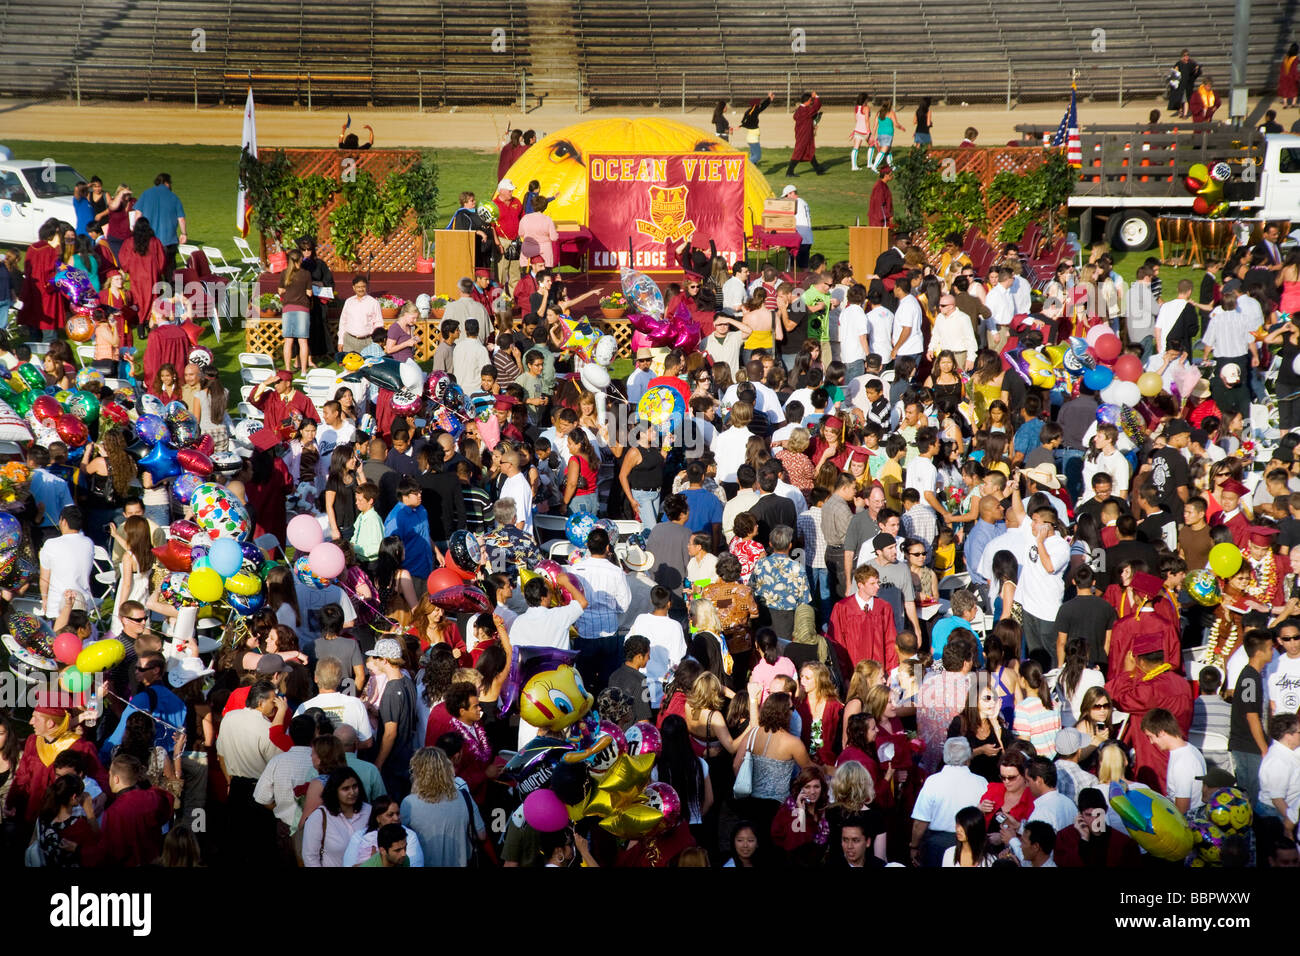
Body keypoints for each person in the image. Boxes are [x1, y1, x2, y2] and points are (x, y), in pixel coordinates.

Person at [1107, 631, 1195, 793]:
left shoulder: (1150, 690)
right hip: (1179, 748)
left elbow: (1117, 698)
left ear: (1139, 660)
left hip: (1155, 758)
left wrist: (1127, 673)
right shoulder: (1181, 682)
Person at [401, 746, 486, 867]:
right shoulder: (464, 797)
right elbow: (481, 835)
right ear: (447, 769)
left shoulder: (408, 803)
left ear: (417, 772)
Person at [910, 737, 988, 867]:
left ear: (945, 756)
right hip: (967, 844)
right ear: (968, 758)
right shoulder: (981, 782)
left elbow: (920, 822)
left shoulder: (933, 781)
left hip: (940, 846)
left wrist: (914, 846)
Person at [1229, 629, 1275, 807]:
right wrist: (1263, 747)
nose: (1272, 651)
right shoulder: (1249, 678)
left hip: (1251, 746)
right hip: (1248, 746)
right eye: (1270, 648)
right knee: (1251, 797)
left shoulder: (1254, 676)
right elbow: (1251, 715)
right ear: (1259, 652)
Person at [39, 505, 94, 625]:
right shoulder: (89, 543)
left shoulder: (51, 544)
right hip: (83, 604)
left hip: (57, 606)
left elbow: (44, 577)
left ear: (63, 521)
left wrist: (44, 600)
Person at [785, 91, 825, 177]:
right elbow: (816, 107)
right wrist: (816, 97)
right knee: (798, 152)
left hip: (802, 133)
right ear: (807, 100)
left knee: (809, 151)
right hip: (804, 134)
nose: (811, 102)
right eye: (811, 100)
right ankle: (789, 172)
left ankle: (818, 169)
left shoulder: (799, 110)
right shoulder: (805, 110)